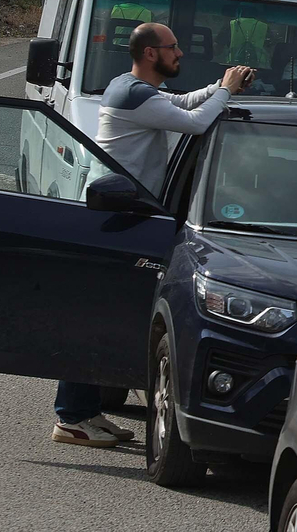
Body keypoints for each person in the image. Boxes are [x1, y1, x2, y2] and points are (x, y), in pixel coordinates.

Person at [62, 24, 252, 447]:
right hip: (115, 216)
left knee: (108, 315)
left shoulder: (133, 88)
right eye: (173, 47)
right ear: (151, 54)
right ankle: (71, 416)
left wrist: (220, 86)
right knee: (97, 317)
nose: (180, 52)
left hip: (123, 214)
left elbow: (181, 104)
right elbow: (195, 123)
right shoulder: (132, 95)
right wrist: (223, 93)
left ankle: (84, 411)